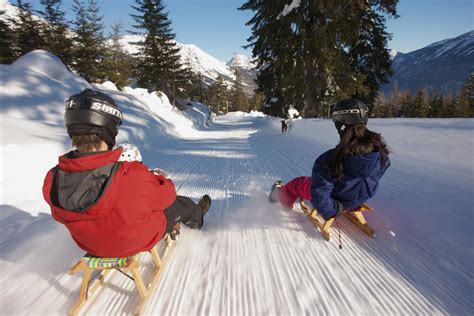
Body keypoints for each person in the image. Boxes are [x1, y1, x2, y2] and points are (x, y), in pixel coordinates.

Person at [42, 89, 211, 258]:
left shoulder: (54, 178)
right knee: (180, 204)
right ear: (109, 129)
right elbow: (167, 196)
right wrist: (158, 179)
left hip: (91, 245)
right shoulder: (127, 174)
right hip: (134, 241)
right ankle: (197, 218)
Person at [269, 99, 390, 220]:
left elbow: (319, 194)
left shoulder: (331, 159)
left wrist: (333, 210)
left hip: (336, 202)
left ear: (341, 123)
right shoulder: (379, 152)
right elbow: (376, 175)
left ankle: (278, 195)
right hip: (358, 198)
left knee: (298, 183)